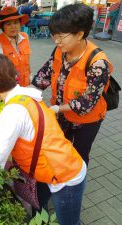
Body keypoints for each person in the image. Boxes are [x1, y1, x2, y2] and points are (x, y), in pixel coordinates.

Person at [0, 53, 86, 225]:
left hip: (66, 176)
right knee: (39, 206)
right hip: (54, 167)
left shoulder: (13, 111)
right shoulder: (26, 97)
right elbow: (27, 128)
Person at [31, 3, 113, 165]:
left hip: (87, 120)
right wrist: (26, 91)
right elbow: (45, 75)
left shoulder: (97, 63)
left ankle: (76, 186)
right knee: (61, 148)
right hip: (62, 114)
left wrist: (56, 108)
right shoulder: (60, 51)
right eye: (54, 35)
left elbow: (87, 103)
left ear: (80, 34)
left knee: (79, 155)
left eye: (61, 36)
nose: (56, 41)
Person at [0, 6, 31, 86]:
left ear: (20, 24)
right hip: (11, 85)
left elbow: (27, 61)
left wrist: (30, 76)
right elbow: (0, 70)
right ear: (3, 27)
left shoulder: (25, 37)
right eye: (8, 24)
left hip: (27, 83)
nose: (13, 27)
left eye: (16, 23)